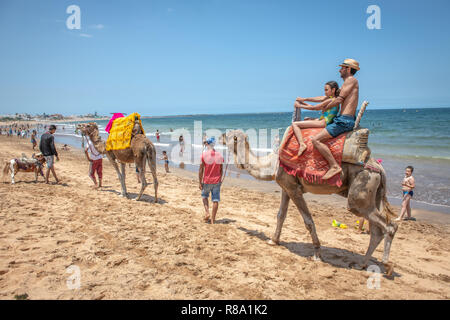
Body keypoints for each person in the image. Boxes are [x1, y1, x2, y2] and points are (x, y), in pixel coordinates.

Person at [302, 58, 360, 180]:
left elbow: (339, 100)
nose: (340, 70)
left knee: (316, 140)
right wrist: (305, 99)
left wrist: (325, 108)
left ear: (348, 69)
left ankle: (334, 166)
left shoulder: (351, 80)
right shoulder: (347, 83)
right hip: (342, 118)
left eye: (342, 68)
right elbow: (325, 97)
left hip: (344, 120)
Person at [287, 81, 340, 156]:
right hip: (323, 120)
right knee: (306, 118)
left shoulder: (331, 100)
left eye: (326, 90)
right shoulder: (332, 99)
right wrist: (303, 100)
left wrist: (299, 106)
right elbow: (317, 99)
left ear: (333, 90)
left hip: (323, 122)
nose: (325, 92)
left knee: (295, 124)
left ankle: (302, 144)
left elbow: (315, 108)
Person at [198, 137, 224, 224]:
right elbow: (221, 169)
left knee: (204, 196)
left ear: (207, 144)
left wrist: (199, 181)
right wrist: (220, 179)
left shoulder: (204, 155)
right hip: (216, 181)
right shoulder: (219, 155)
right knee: (215, 200)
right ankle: (213, 220)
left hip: (207, 180)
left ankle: (207, 212)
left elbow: (201, 169)